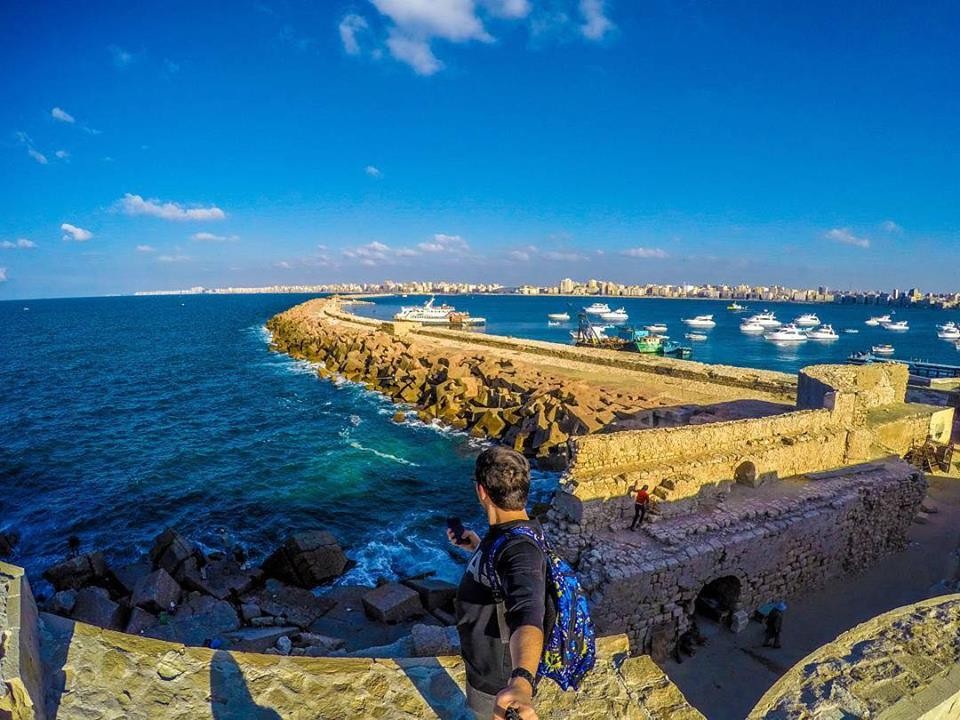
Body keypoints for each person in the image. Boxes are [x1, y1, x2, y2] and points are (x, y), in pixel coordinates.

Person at [448, 446, 554, 720]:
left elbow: (529, 613)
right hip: (487, 664)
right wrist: (478, 547)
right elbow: (506, 578)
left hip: (497, 678)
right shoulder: (511, 534)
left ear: (481, 491)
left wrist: (519, 682)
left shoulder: (519, 550)